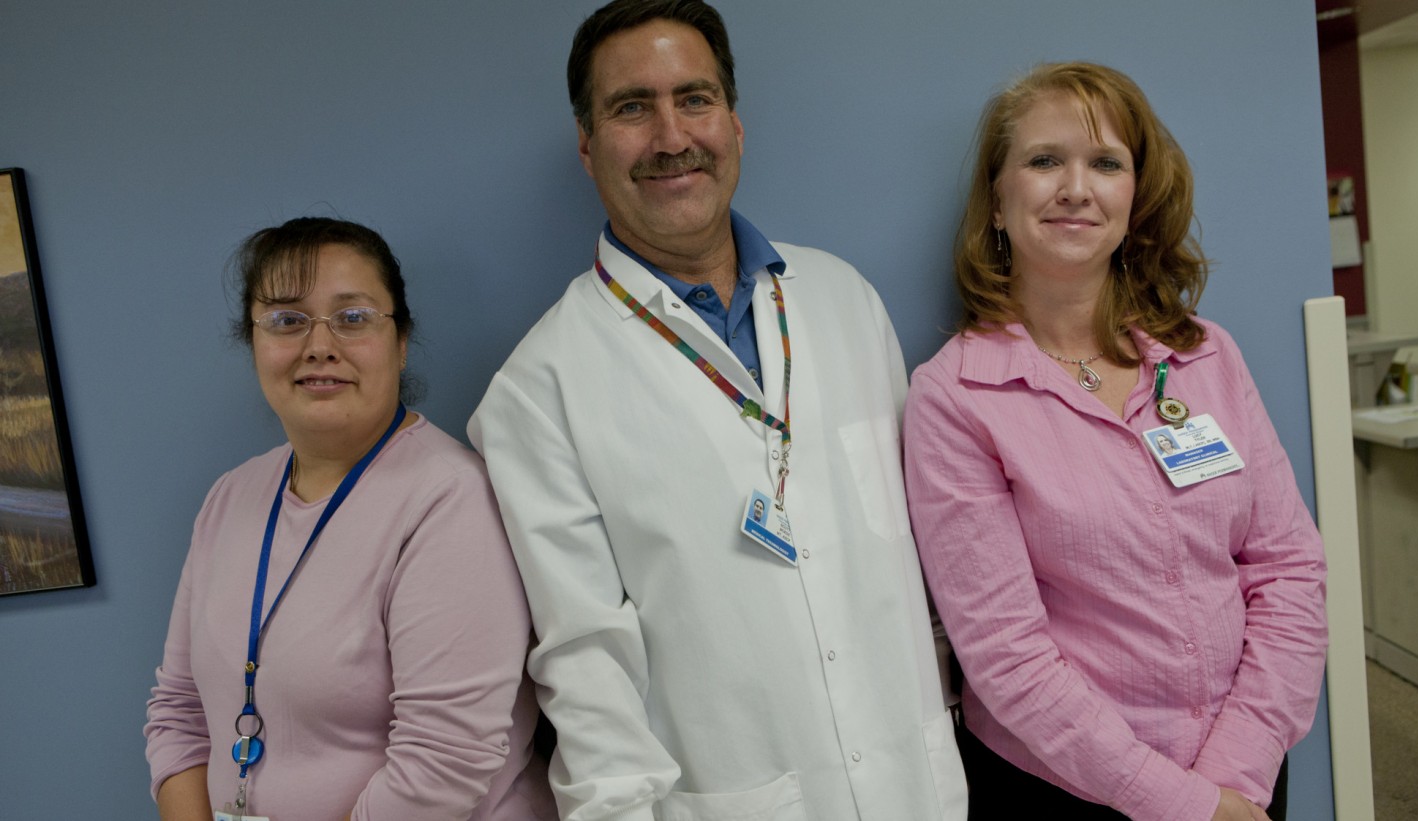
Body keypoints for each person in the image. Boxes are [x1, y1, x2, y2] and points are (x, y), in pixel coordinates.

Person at [469, 2, 967, 818]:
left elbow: (922, 565)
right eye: (632, 107)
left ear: (735, 124)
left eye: (694, 99)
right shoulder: (538, 390)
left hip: (919, 790)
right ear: (588, 146)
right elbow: (586, 664)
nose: (672, 136)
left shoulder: (843, 300)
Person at [903, 62, 1328, 821]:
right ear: (997, 201)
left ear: (1134, 199)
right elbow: (1007, 657)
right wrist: (1183, 804)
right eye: (1043, 161)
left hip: (1245, 779)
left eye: (1106, 163)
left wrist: (1236, 771)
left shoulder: (1207, 357)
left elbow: (1289, 568)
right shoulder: (957, 398)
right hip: (1070, 792)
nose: (1077, 187)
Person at [144, 218, 552, 820]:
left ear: (401, 339)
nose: (319, 345)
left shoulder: (451, 498)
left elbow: (444, 763)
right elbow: (178, 712)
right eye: (286, 320)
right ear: (252, 341)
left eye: (353, 317)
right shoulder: (230, 498)